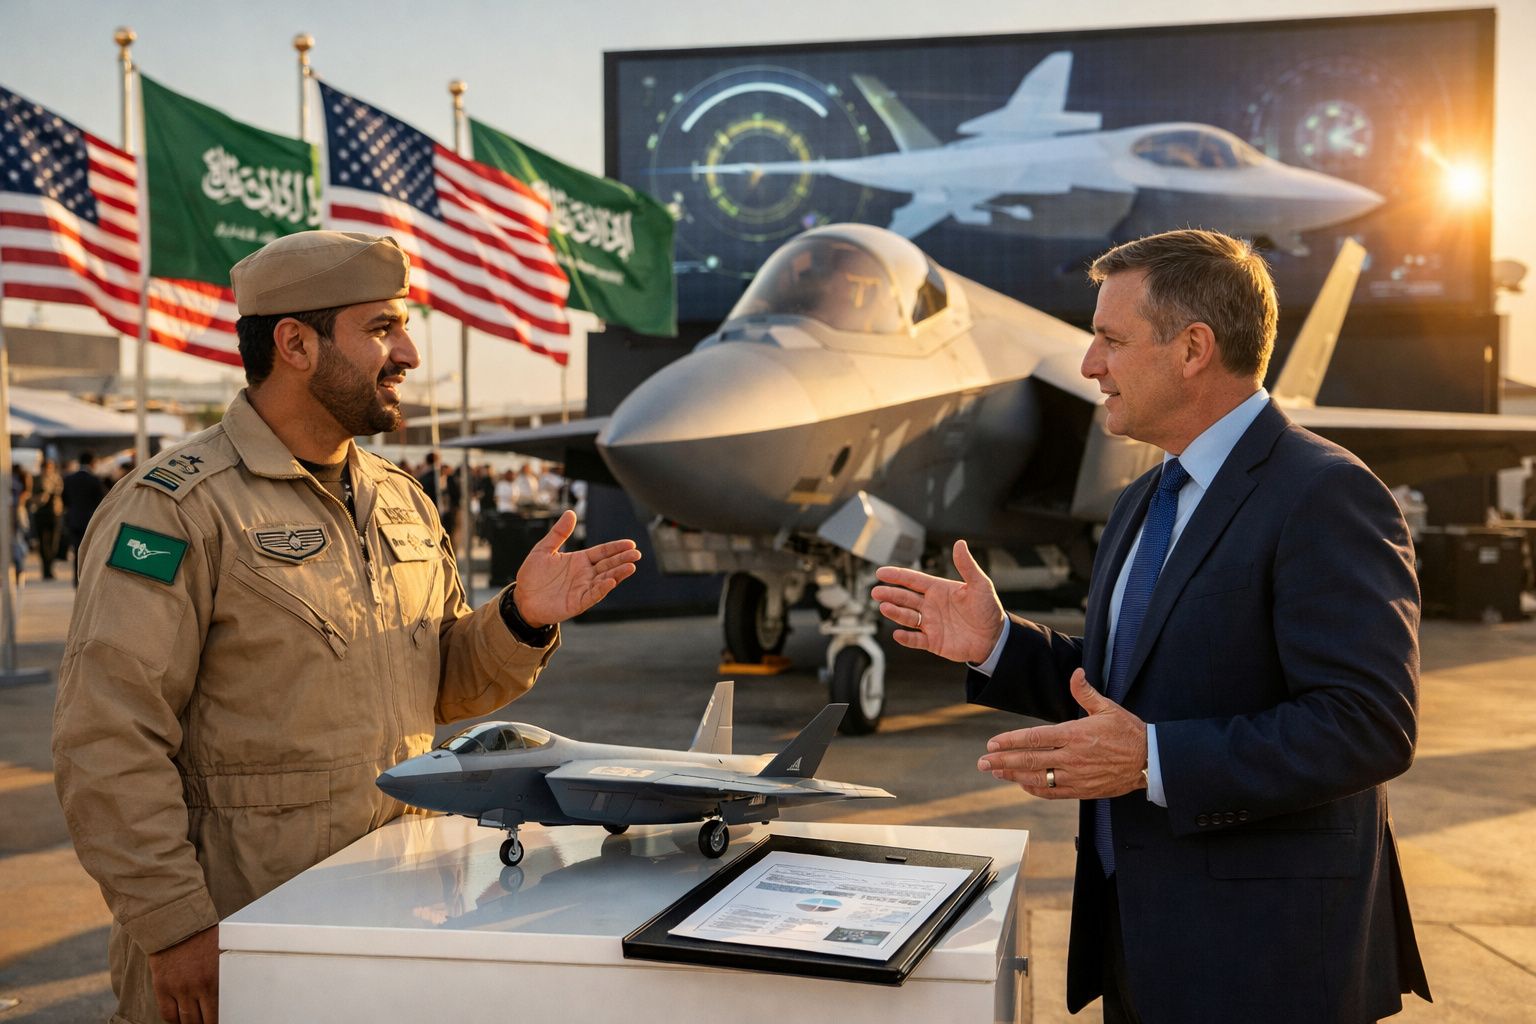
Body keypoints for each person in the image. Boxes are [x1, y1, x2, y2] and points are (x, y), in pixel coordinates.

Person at [52, 230, 641, 1024]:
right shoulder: (175, 510)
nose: (407, 353)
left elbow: (442, 686)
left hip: (399, 918)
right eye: (381, 328)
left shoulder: (399, 499)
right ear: (294, 343)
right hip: (247, 933)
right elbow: (106, 737)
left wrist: (521, 618)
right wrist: (175, 927)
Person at [872, 229, 1429, 1023]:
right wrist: (999, 644)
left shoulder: (1325, 493)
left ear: (1193, 348)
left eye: (1110, 339)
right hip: (1141, 940)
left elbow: (1368, 724)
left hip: (1269, 963)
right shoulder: (1144, 500)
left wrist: (1154, 761)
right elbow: (1131, 684)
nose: (1090, 364)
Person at [61, 450, 108, 587]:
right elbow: (103, 500)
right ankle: (87, 580)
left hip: (74, 519)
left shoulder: (69, 478)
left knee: (77, 550)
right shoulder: (94, 480)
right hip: (91, 521)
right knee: (91, 552)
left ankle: (77, 580)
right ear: (92, 463)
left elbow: (65, 499)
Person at [29, 456, 64, 578]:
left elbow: (61, 495)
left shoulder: (57, 478)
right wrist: (39, 498)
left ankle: (50, 567)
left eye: (51, 467)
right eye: (46, 467)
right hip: (41, 512)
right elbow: (30, 496)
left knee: (54, 543)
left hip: (55, 513)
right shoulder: (36, 479)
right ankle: (46, 570)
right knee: (43, 543)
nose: (48, 470)